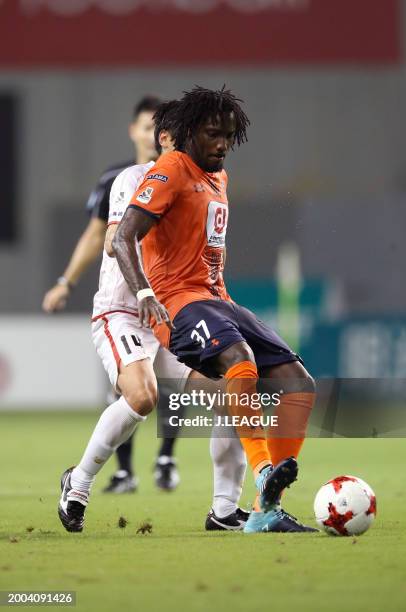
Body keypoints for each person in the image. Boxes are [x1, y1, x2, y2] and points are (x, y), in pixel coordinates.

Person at [113, 86, 318, 533]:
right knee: (238, 363)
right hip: (175, 304)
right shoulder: (171, 168)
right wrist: (145, 294)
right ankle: (263, 473)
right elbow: (122, 236)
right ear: (188, 133)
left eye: (228, 136)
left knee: (298, 383)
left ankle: (268, 507)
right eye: (212, 134)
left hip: (216, 299)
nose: (223, 144)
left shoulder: (217, 176)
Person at [57, 100, 249, 534]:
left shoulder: (204, 182)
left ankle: (223, 508)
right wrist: (128, 238)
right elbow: (113, 242)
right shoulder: (134, 178)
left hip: (172, 312)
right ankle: (79, 483)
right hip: (124, 309)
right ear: (168, 138)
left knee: (230, 389)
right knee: (143, 396)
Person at [42, 95, 183, 492]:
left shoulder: (194, 180)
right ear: (145, 133)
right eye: (147, 126)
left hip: (167, 304)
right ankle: (116, 471)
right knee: (133, 391)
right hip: (126, 304)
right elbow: (102, 238)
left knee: (205, 385)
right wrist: (66, 281)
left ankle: (178, 467)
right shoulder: (121, 179)